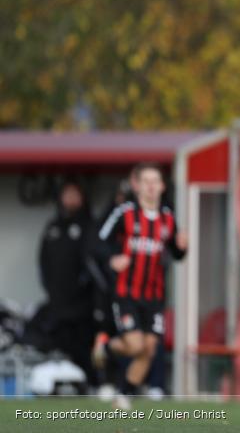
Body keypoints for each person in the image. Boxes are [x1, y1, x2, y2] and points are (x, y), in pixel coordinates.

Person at [92, 163, 187, 403]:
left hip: (154, 297)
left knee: (149, 349)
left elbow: (175, 253)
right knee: (134, 346)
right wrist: (111, 258)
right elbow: (97, 241)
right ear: (138, 186)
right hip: (126, 293)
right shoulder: (125, 213)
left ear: (162, 186)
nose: (151, 186)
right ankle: (106, 347)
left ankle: (123, 394)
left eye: (155, 181)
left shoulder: (168, 217)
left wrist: (181, 247)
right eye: (146, 181)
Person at [28, 180, 97, 386]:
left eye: (75, 194)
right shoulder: (53, 227)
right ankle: (61, 389)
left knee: (83, 349)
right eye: (67, 194)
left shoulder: (88, 226)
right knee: (59, 348)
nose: (70, 199)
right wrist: (50, 288)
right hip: (57, 303)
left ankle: (91, 386)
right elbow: (43, 262)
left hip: (82, 306)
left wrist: (81, 287)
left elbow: (92, 265)